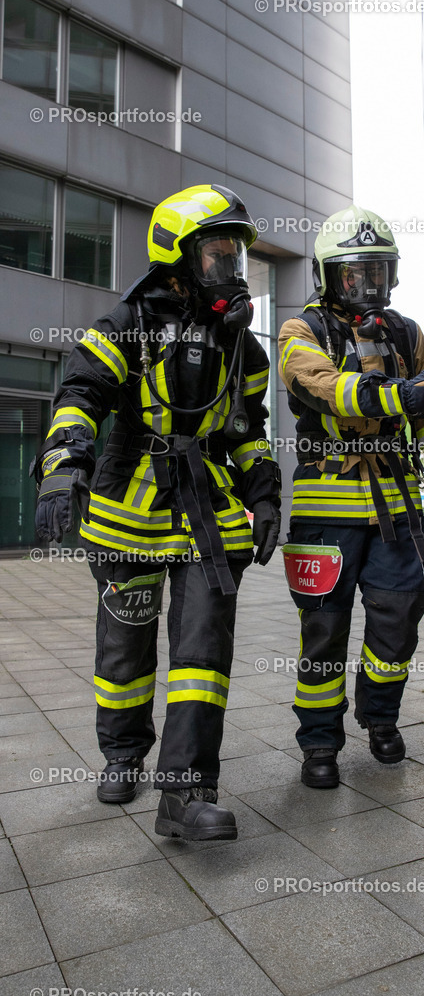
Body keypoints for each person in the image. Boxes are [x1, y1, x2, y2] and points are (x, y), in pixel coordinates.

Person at [33, 184, 281, 840]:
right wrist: (64, 469)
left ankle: (185, 793)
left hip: (207, 515)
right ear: (178, 256)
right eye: (217, 252)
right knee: (125, 648)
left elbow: (245, 430)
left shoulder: (242, 349)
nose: (231, 268)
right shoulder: (129, 323)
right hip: (128, 514)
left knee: (202, 653)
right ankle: (121, 753)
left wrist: (263, 494)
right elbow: (81, 391)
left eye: (235, 255)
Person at [278, 204, 424, 788]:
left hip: (397, 508)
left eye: (377, 273)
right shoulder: (301, 333)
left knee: (398, 621)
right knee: (323, 629)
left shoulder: (406, 334)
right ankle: (319, 742)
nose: (368, 285)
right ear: (329, 276)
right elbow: (332, 391)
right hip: (327, 514)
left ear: (391, 275)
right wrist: (416, 396)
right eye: (354, 274)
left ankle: (381, 718)